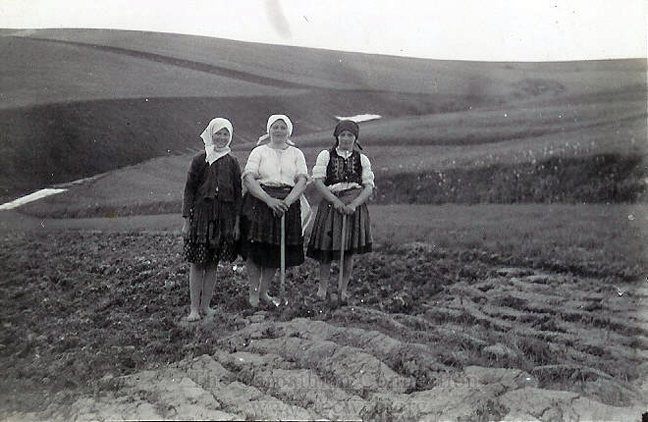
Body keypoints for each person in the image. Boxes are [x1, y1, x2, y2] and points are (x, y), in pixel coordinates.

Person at [240, 114, 309, 307]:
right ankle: (253, 293)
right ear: (269, 130)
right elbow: (249, 178)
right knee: (255, 250)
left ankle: (263, 292)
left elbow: (302, 180)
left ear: (288, 131)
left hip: (288, 202)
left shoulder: (296, 154)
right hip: (261, 201)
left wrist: (287, 201)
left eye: (282, 127)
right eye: (275, 127)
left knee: (275, 251)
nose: (279, 131)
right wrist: (269, 200)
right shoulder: (259, 151)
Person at [306, 120, 374, 304]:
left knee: (348, 250)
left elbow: (368, 187)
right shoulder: (326, 156)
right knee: (326, 250)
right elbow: (318, 182)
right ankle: (322, 290)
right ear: (337, 137)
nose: (346, 139)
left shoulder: (362, 159)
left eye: (350, 135)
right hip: (330, 203)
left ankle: (343, 290)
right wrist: (335, 201)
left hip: (354, 204)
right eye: (342, 135)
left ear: (355, 138)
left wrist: (354, 204)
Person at [182, 118, 241, 321]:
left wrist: (235, 223)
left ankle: (206, 306)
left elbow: (237, 194)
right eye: (218, 133)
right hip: (201, 215)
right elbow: (189, 190)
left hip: (223, 217)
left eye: (225, 134)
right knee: (198, 263)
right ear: (210, 134)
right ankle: (194, 309)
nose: (221, 138)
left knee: (213, 264)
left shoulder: (232, 161)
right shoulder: (200, 159)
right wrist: (186, 220)